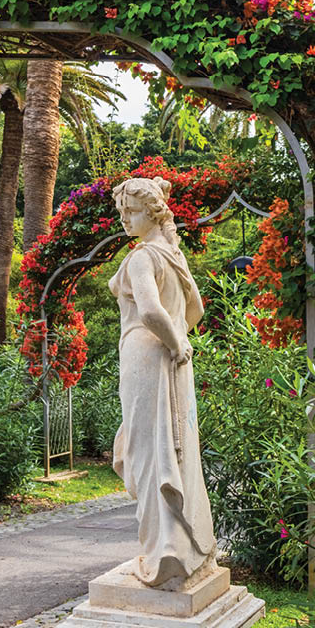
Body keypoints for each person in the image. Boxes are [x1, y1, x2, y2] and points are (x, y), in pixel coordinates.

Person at [109, 176, 217, 588]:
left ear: (152, 213)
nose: (124, 219)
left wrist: (170, 342)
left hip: (148, 352)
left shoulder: (142, 257)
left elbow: (151, 311)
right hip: (174, 354)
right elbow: (196, 311)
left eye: (131, 211)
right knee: (172, 446)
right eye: (121, 212)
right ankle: (181, 546)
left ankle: (163, 550)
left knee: (152, 451)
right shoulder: (174, 257)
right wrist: (180, 342)